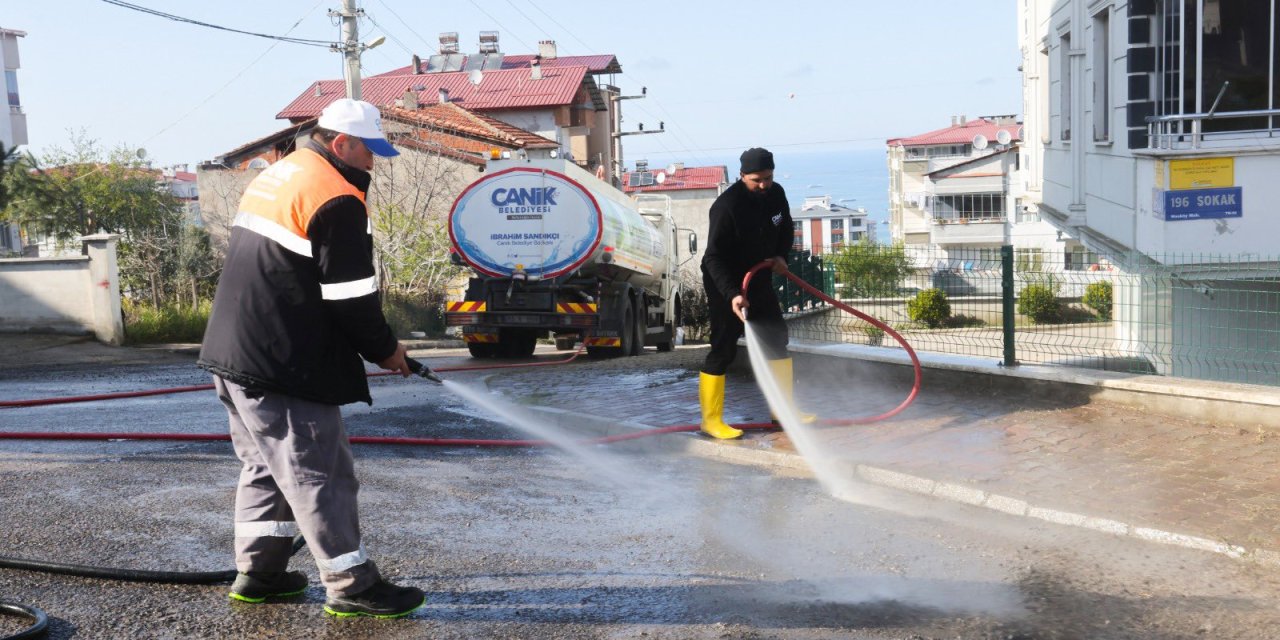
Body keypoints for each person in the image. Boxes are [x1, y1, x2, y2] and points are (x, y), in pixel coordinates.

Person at [198, 98, 425, 619]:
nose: (374, 163)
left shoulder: (284, 173)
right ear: (341, 143)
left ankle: (261, 573)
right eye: (369, 152)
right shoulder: (336, 197)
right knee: (319, 471)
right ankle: (351, 583)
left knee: (264, 466)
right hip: (284, 362)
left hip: (235, 353)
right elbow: (351, 296)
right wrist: (387, 351)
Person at [698, 147, 802, 439]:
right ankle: (711, 420)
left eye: (768, 178)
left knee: (777, 338)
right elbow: (713, 257)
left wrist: (781, 255)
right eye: (757, 180)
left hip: (759, 277)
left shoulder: (775, 194)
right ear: (742, 175)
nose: (763, 185)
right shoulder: (726, 206)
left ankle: (782, 412)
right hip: (725, 285)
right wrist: (732, 294)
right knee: (723, 348)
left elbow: (786, 227)